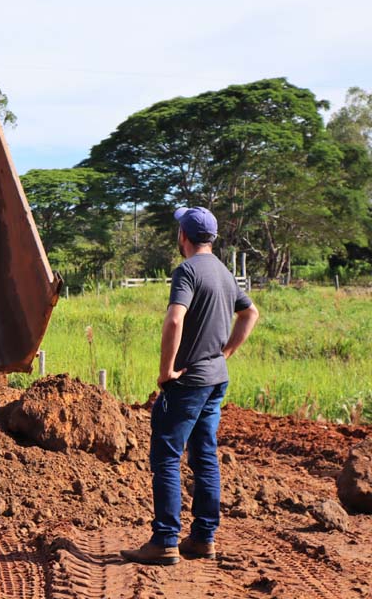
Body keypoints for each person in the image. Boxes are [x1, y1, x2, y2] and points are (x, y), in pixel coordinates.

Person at [121, 207, 259, 566]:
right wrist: (226, 352)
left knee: (166, 458)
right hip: (216, 380)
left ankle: (165, 540)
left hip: (188, 381)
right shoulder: (225, 273)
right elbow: (250, 313)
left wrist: (166, 371)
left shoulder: (187, 271)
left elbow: (174, 319)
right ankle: (202, 538)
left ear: (183, 235)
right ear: (211, 237)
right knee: (204, 456)